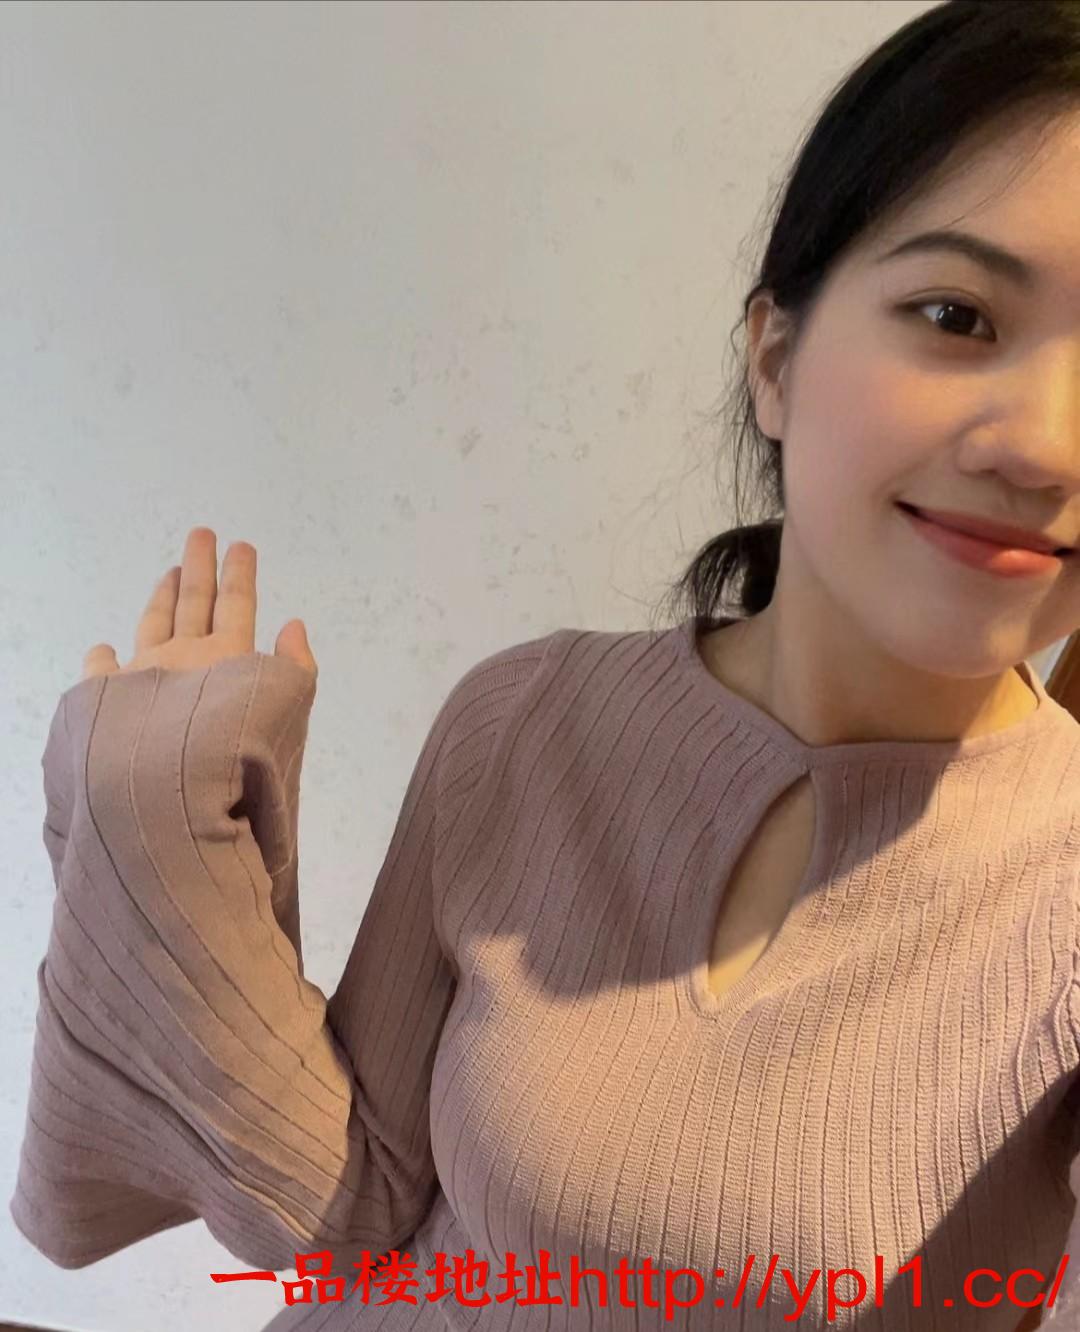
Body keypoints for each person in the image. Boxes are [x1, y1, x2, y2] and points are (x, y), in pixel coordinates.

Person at [9, 2, 1080, 1329]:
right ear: (775, 358)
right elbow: (353, 1201)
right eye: (957, 315)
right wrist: (159, 840)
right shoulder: (524, 721)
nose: (1046, 444)